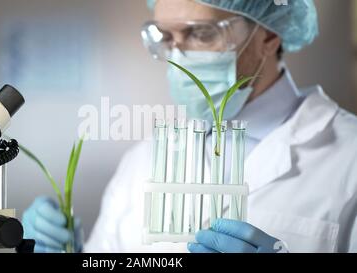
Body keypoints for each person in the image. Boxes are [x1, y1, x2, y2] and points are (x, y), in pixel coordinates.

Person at [22, 0, 357, 253]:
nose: (178, 56)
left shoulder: (348, 157)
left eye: (201, 33)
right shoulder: (143, 158)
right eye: (167, 37)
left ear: (268, 35)